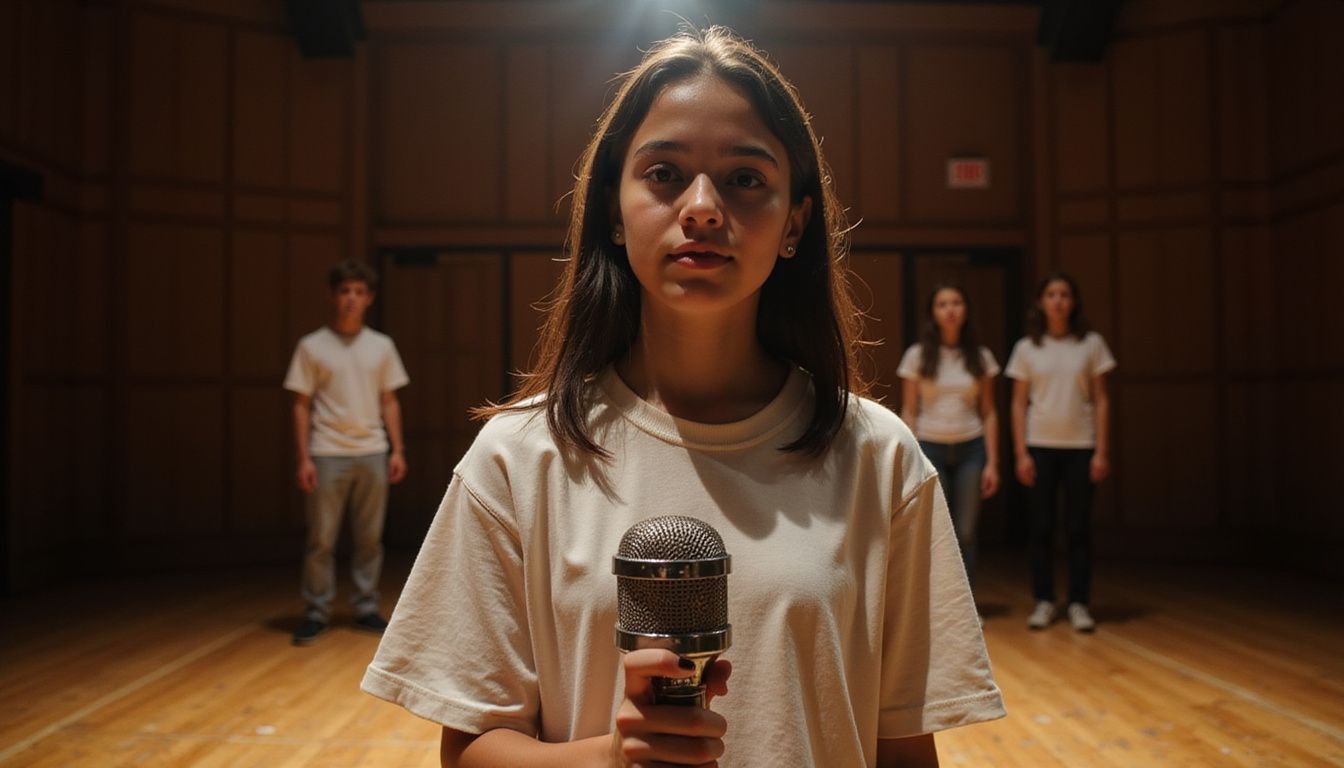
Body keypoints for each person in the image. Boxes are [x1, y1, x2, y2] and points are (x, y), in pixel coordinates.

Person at [361, 26, 1003, 767]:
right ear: (613, 209)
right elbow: (470, 751)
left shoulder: (880, 458)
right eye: (664, 174)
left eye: (744, 178)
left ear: (795, 222)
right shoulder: (517, 459)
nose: (701, 208)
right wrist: (612, 757)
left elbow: (905, 752)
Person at [283, 259, 409, 646]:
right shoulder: (312, 346)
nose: (351, 299)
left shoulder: (381, 346)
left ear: (369, 298)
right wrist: (304, 457)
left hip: (372, 450)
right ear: (333, 296)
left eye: (358, 292)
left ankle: (366, 607)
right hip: (327, 451)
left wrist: (397, 450)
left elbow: (389, 400)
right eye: (344, 291)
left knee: (370, 538)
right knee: (321, 539)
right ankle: (316, 610)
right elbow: (301, 404)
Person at [1004, 272, 1115, 633]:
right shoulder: (1027, 348)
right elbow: (1018, 404)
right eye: (1051, 294)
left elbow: (1101, 399)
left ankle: (1080, 602)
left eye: (1064, 294)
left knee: (1079, 527)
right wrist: (1021, 453)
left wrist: (1102, 451)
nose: (1058, 301)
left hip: (1081, 446)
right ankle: (1044, 600)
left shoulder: (1092, 344)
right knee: (1041, 527)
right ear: (1040, 302)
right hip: (1040, 446)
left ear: (1074, 301)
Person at [897, 285, 1000, 588]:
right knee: (935, 531)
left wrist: (993, 463)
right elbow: (910, 410)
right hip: (930, 448)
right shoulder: (917, 355)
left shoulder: (980, 356)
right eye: (942, 304)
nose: (950, 309)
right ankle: (936, 604)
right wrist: (910, 457)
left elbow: (989, 412)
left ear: (966, 310)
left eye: (956, 302)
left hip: (971, 448)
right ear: (933, 312)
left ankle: (966, 604)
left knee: (966, 531)